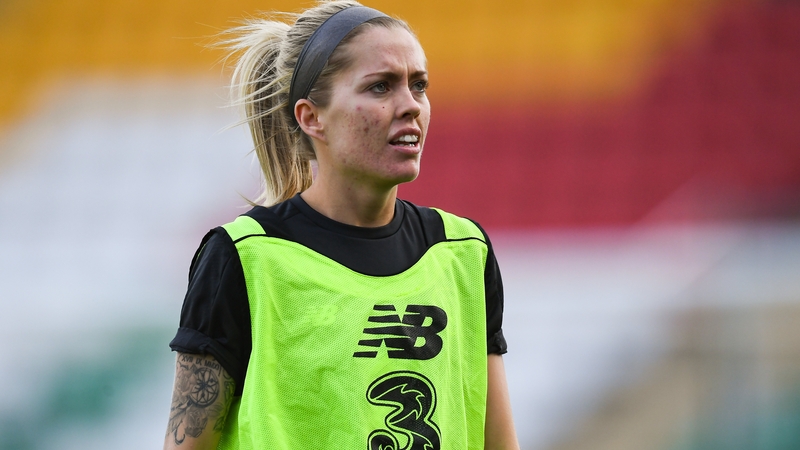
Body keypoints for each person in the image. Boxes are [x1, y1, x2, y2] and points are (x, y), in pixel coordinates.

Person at [163, 1, 520, 449]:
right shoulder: (245, 257)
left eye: (419, 85)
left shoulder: (464, 252)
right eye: (380, 86)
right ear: (311, 117)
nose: (411, 105)